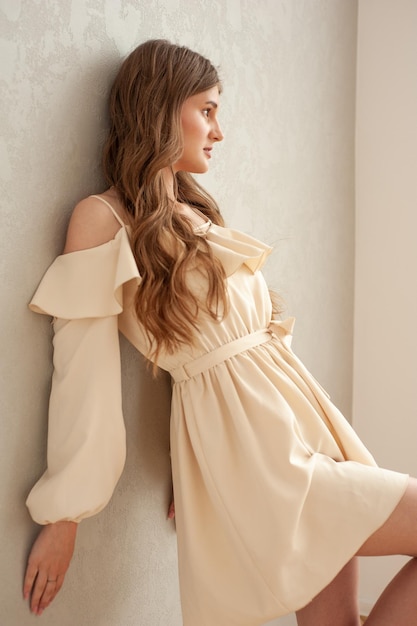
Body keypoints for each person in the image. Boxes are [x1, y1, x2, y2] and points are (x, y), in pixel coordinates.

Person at [23, 39, 417, 626]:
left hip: (298, 431)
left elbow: (205, 342)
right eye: (206, 110)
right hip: (258, 456)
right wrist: (65, 516)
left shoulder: (192, 211)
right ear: (161, 110)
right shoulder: (102, 218)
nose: (219, 130)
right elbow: (85, 377)